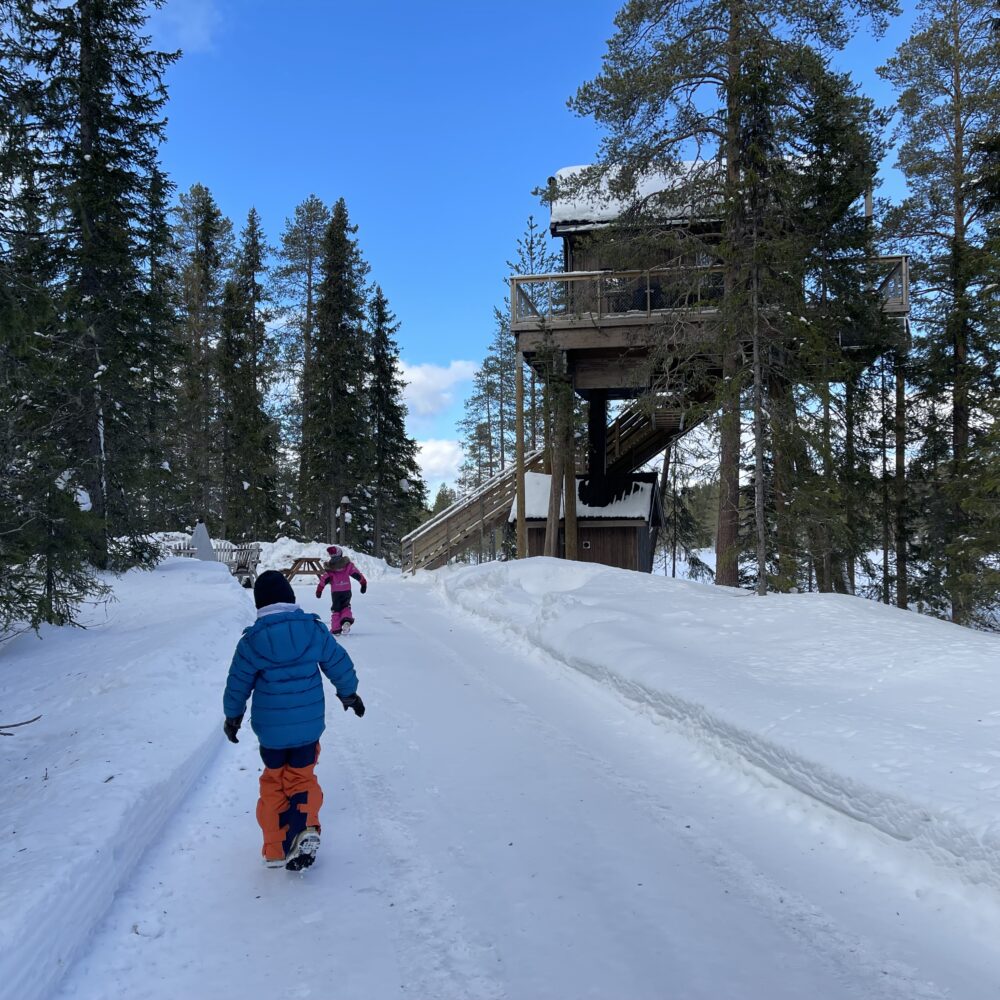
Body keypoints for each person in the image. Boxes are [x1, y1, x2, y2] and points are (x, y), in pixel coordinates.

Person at [222, 570, 366, 871]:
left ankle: (276, 848)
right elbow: (338, 662)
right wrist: (349, 694)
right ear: (290, 597)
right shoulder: (312, 630)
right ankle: (305, 827)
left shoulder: (252, 641)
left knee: (274, 782)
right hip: (308, 728)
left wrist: (233, 716)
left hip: (271, 734)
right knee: (301, 777)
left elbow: (238, 682)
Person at [316, 544, 368, 635]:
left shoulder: (330, 568)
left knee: (336, 610)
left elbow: (325, 578)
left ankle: (336, 629)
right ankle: (346, 620)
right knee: (345, 606)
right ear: (340, 554)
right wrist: (363, 583)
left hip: (336, 592)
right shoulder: (347, 565)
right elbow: (356, 574)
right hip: (346, 590)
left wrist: (319, 589)